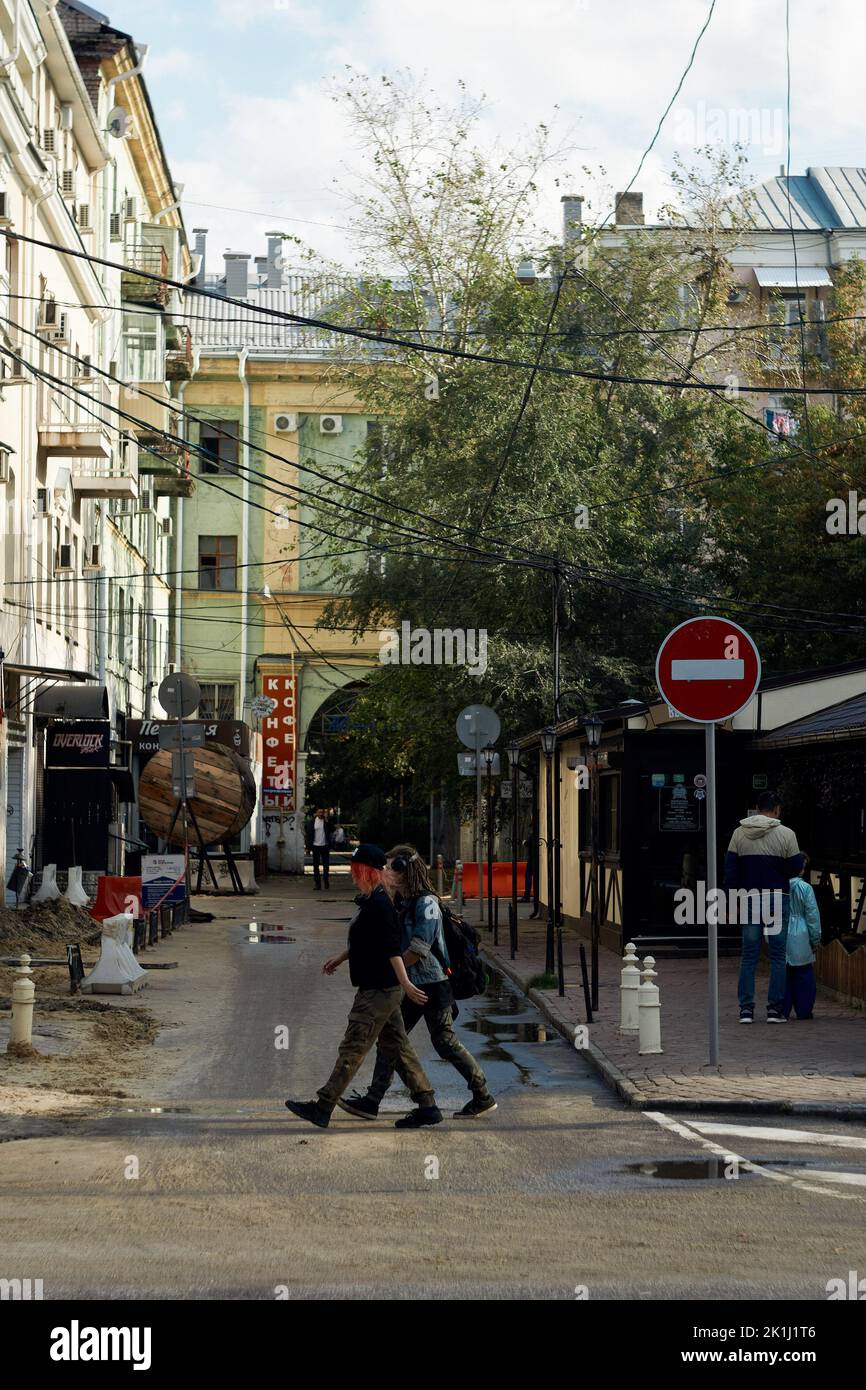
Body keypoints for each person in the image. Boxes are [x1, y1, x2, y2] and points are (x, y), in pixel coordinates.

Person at [285, 843, 443, 1130]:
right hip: (381, 987)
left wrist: (405, 982)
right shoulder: (372, 901)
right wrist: (341, 958)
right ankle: (428, 1105)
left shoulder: (380, 904)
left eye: (355, 870)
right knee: (398, 1047)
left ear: (366, 872)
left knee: (354, 1046)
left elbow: (392, 949)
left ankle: (323, 1106)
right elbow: (365, 942)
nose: (352, 875)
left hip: (379, 990)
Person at [337, 845, 497, 1120]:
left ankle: (482, 1095)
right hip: (410, 984)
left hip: (433, 985)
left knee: (444, 1042)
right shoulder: (401, 902)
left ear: (402, 871)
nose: (384, 872)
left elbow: (418, 949)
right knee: (392, 1041)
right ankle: (373, 1100)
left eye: (388, 868)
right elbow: (385, 941)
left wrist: (391, 972)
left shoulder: (427, 905)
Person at [724, 789, 804, 1024]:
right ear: (777, 809)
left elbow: (730, 871)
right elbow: (794, 867)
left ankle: (746, 1010)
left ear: (757, 808)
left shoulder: (739, 833)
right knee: (778, 955)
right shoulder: (787, 834)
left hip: (749, 897)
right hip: (777, 896)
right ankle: (774, 1010)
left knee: (749, 955)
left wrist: (732, 898)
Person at [782, 855, 822, 1020]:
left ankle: (782, 1010)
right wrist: (815, 939)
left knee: (783, 976)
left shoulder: (778, 886)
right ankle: (804, 1010)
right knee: (804, 975)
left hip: (782, 932)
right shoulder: (806, 888)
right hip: (802, 934)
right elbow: (812, 916)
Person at [306, 806, 332, 890]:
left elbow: (332, 829)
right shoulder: (312, 822)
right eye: (319, 812)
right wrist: (308, 847)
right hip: (315, 846)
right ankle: (317, 884)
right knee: (315, 866)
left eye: (322, 812)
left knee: (326, 865)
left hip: (325, 845)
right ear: (316, 813)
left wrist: (327, 821)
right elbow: (309, 835)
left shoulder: (326, 821)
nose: (321, 814)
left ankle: (326, 880)